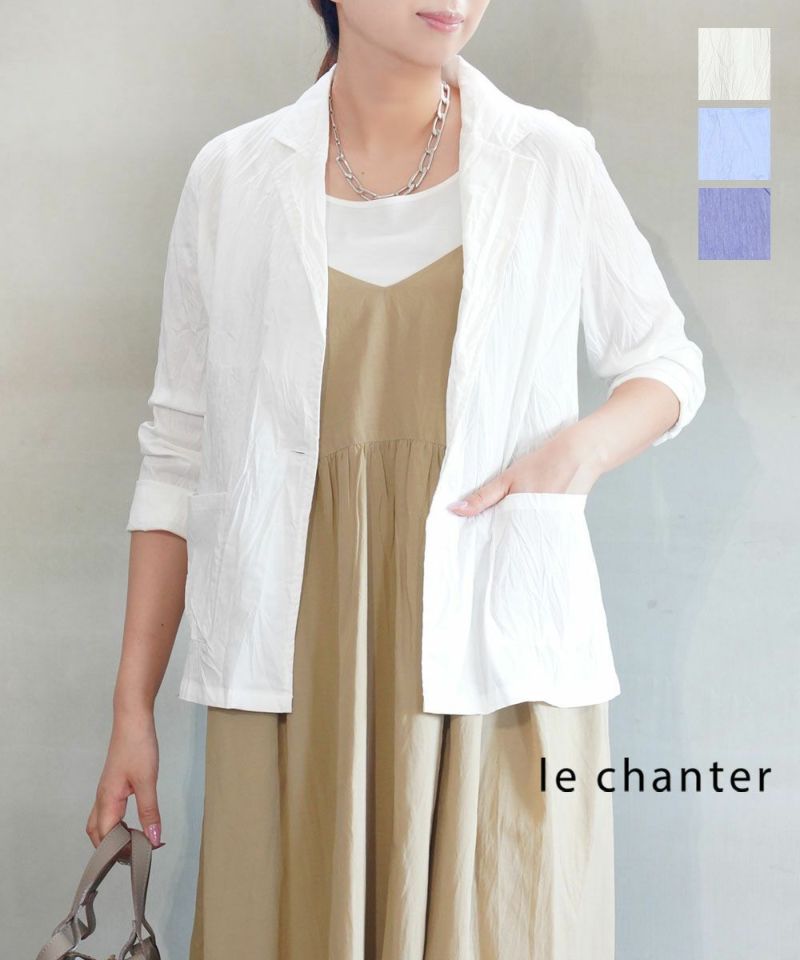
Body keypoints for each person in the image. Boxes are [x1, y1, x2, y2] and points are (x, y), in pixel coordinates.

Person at [87, 2, 706, 958]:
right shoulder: (233, 178)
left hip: (494, 658)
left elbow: (666, 363)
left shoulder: (549, 160)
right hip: (297, 667)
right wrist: (133, 709)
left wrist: (574, 456)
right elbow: (177, 453)